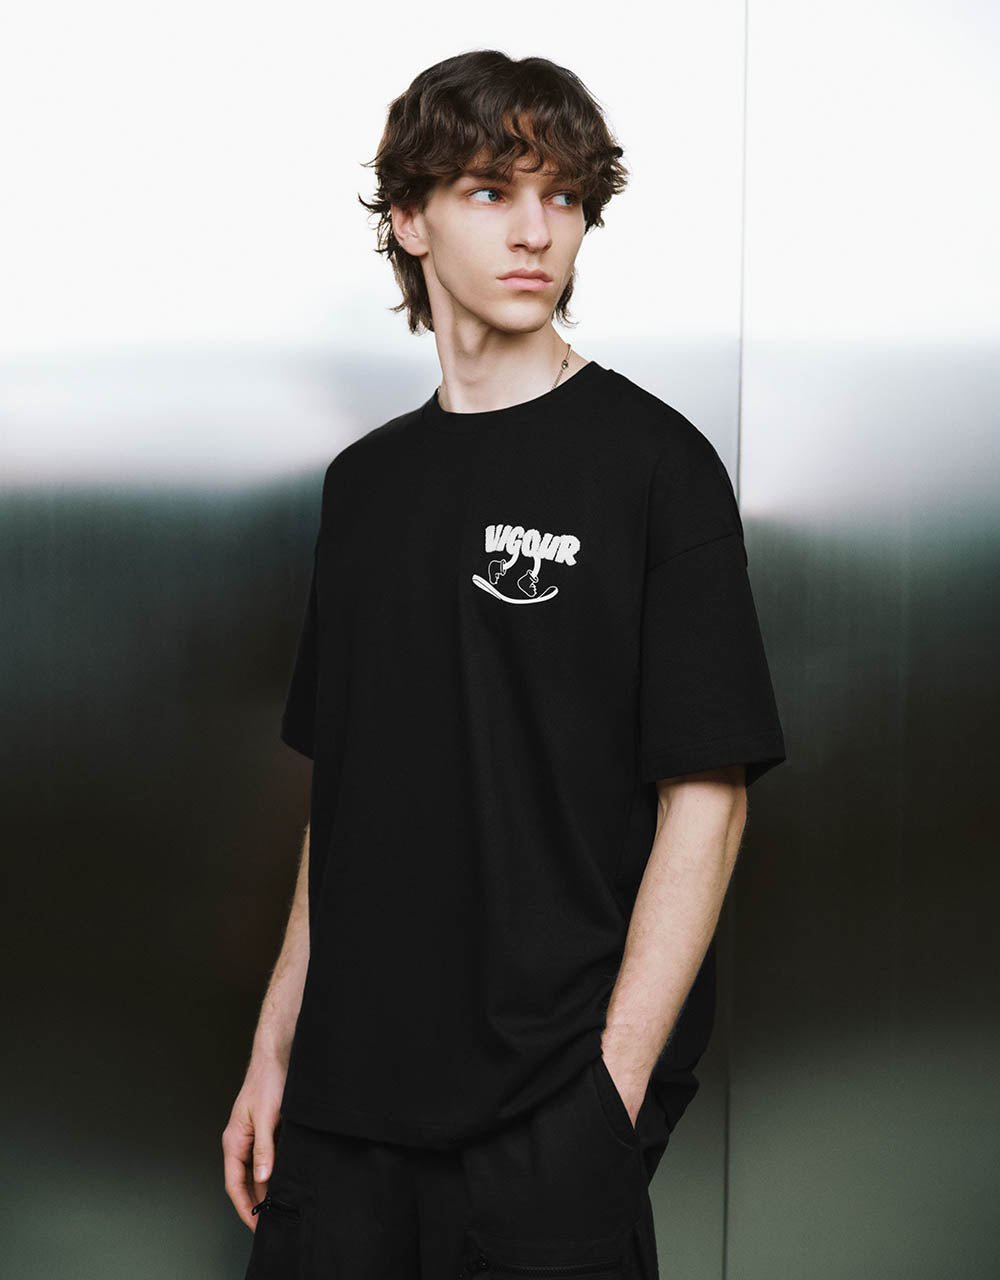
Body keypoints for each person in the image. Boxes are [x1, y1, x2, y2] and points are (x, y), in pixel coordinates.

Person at [222, 49, 786, 1280]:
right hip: (342, 1120)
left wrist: (609, 1096)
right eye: (491, 190)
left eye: (563, 196)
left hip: (544, 1118)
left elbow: (709, 797)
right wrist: (275, 1046)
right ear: (409, 217)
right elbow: (342, 796)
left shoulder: (657, 467)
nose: (538, 230)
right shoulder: (363, 487)